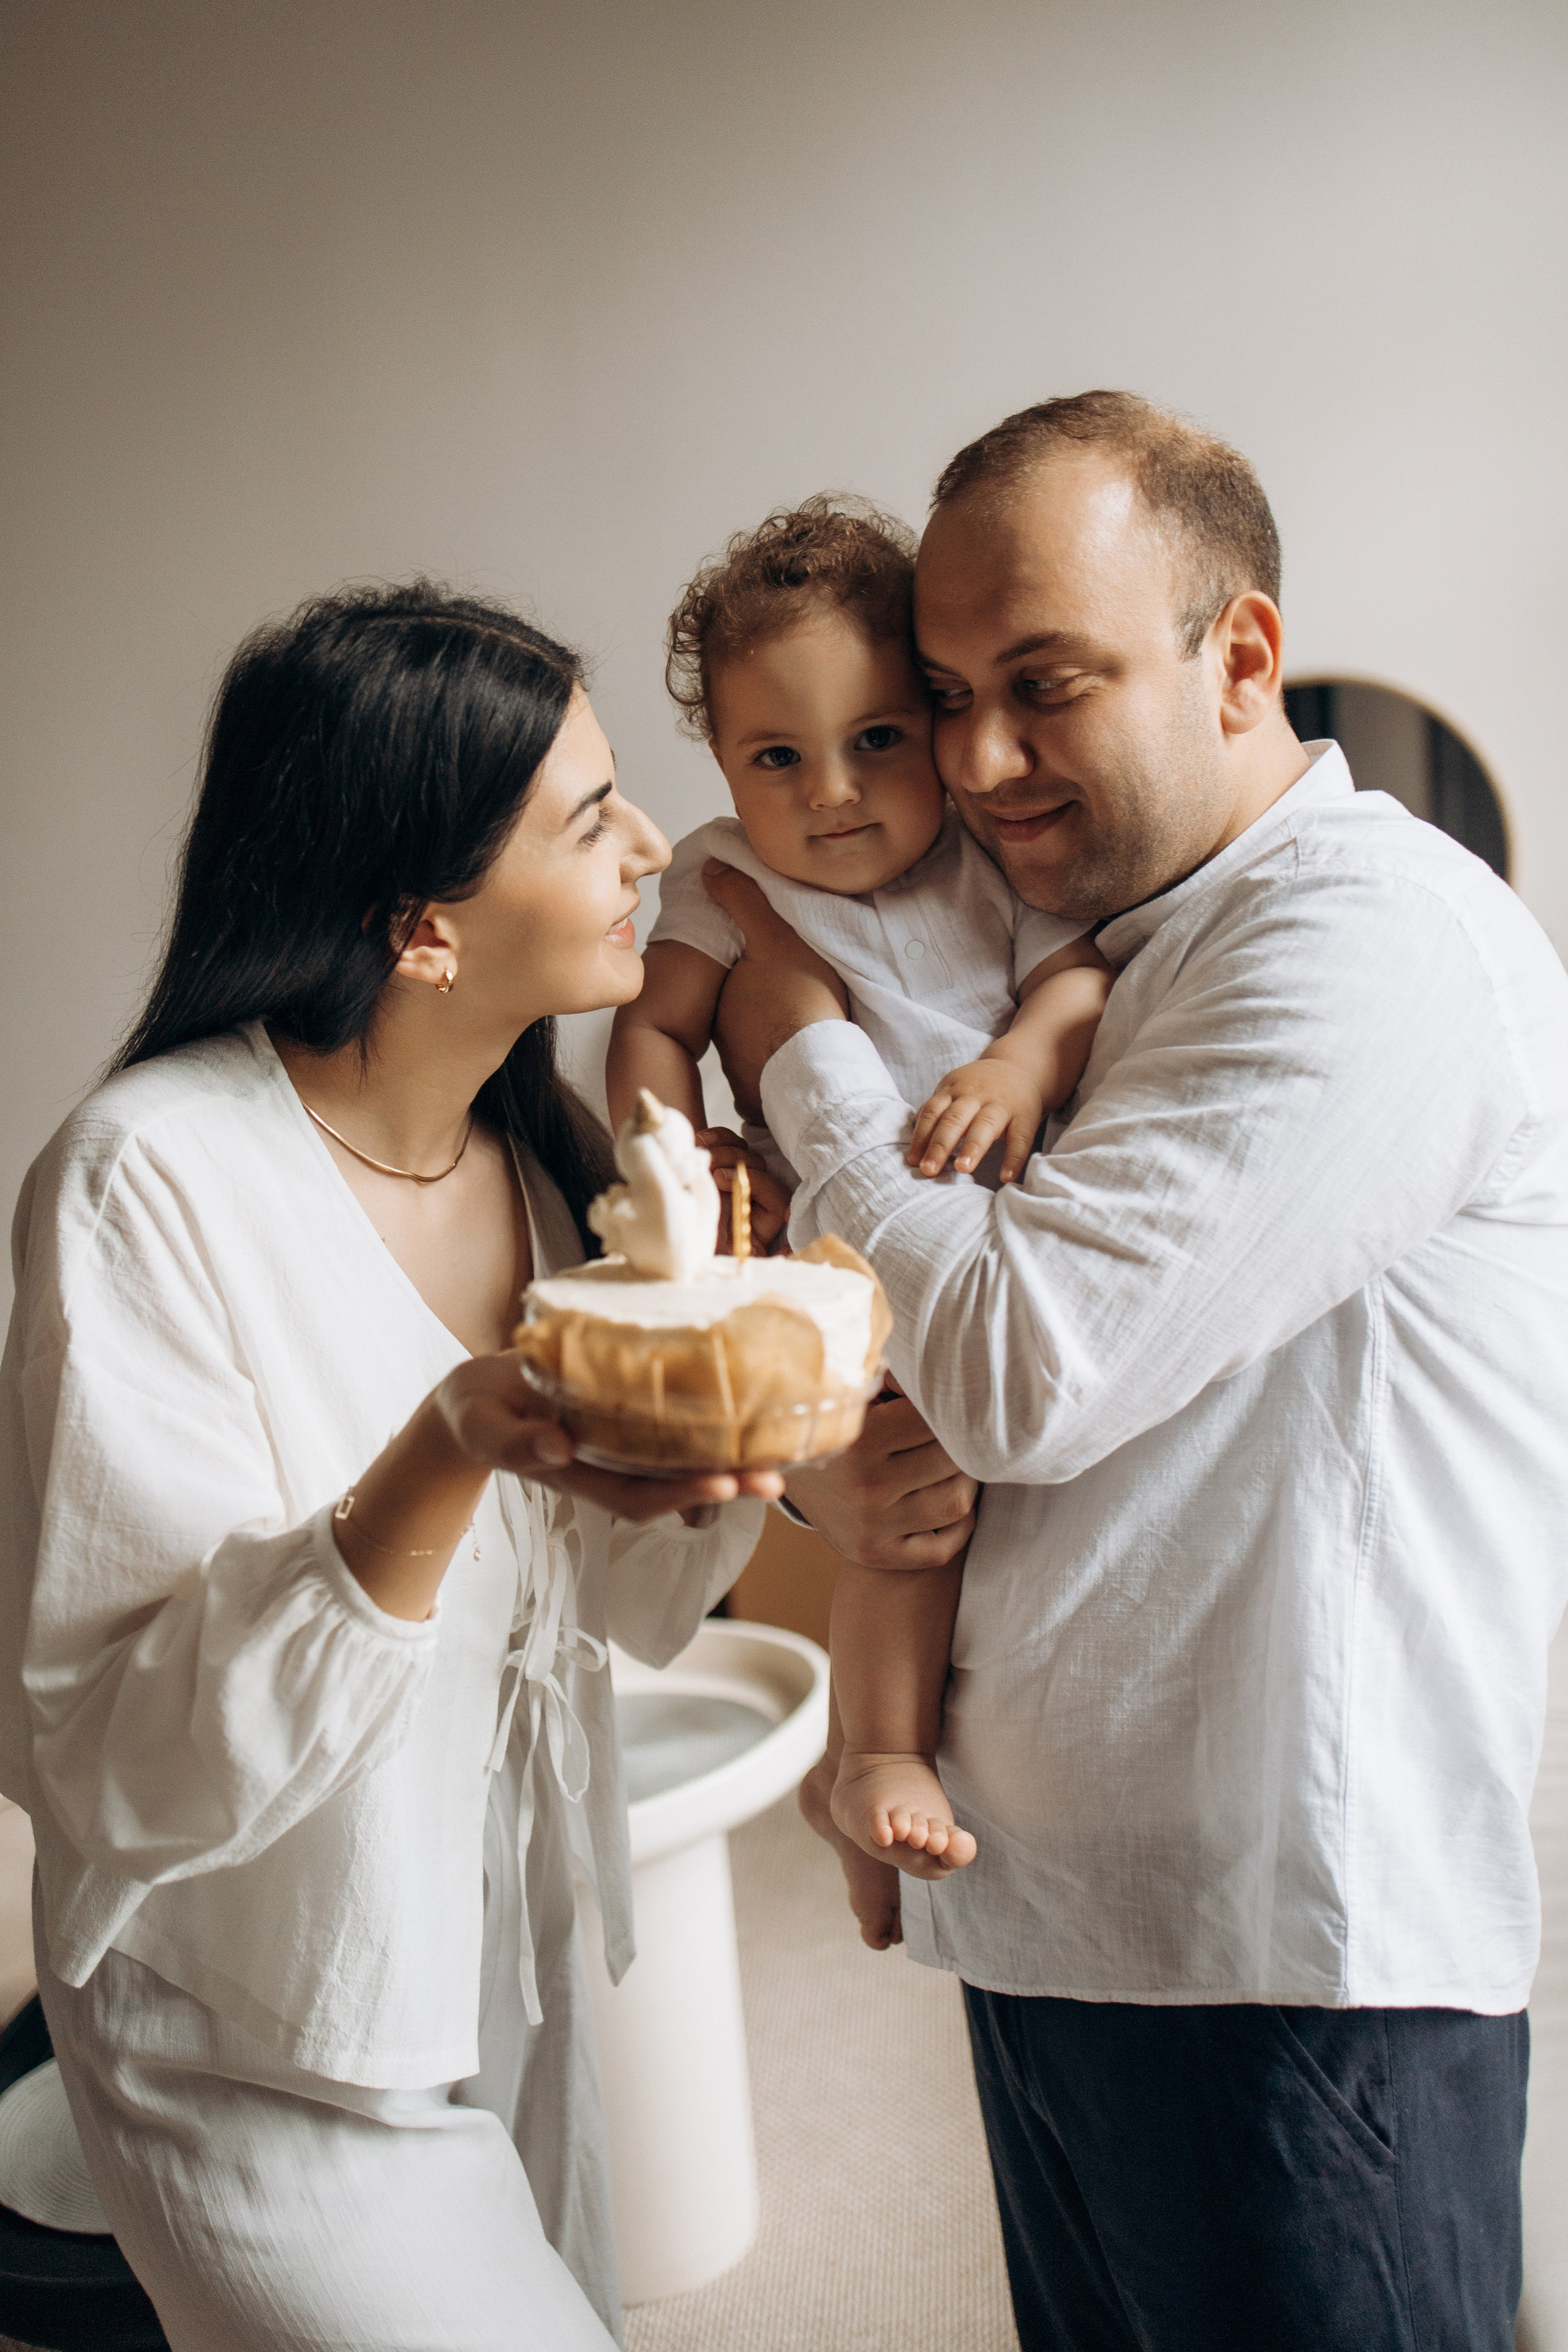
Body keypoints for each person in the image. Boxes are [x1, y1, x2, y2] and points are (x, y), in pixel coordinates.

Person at [710, 392, 1568, 2350]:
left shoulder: (1369, 947)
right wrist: (824, 1481)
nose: (981, 763)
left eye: (1048, 685)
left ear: (1240, 655)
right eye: (949, 696)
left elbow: (1018, 1366)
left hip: (1284, 1973)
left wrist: (792, 1029)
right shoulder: (1094, 943)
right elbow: (924, 1362)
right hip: (1061, 1917)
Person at [0, 582, 781, 2352]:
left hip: (494, 1954)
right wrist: (442, 1451)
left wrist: (730, 1443)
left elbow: (613, 1615)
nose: (654, 841)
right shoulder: (150, 1182)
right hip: (246, 2026)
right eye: (590, 816)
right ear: (421, 927)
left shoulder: (558, 1179)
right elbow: (111, 1758)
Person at [608, 496, 1112, 1942]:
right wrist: (669, 1141)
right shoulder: (724, 870)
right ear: (722, 764)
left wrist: (1019, 1058)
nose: (831, 792)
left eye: (874, 739)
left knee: (1012, 1497)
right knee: (907, 1516)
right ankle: (872, 1750)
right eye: (779, 756)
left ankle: (915, 1779)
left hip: (1001, 1233)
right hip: (829, 1260)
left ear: (935, 729)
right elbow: (650, 1026)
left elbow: (1076, 983)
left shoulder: (983, 852)